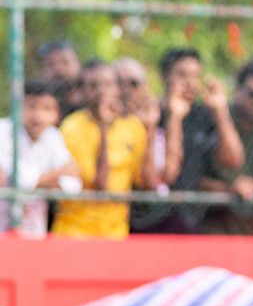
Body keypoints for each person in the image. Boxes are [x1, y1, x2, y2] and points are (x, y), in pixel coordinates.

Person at [131, 49, 244, 235]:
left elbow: (233, 160)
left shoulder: (203, 116)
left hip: (188, 224)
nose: (190, 83)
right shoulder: (148, 116)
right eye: (182, 75)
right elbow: (167, 176)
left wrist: (220, 111)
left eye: (196, 76)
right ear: (164, 76)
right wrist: (174, 118)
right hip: (145, 222)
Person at [54, 61, 157, 238]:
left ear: (118, 88)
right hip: (74, 232)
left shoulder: (133, 126)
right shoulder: (71, 127)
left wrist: (150, 130)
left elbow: (147, 183)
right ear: (83, 92)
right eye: (93, 85)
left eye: (108, 84)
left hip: (116, 233)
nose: (102, 91)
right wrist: (104, 127)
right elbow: (100, 185)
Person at [199, 60, 253, 236]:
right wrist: (229, 189)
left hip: (246, 230)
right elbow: (192, 180)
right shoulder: (210, 118)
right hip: (207, 226)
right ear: (237, 90)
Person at [0, 80, 80, 235]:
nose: (38, 116)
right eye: (32, 106)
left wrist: (36, 180)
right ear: (18, 107)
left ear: (57, 114)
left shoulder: (52, 136)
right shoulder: (3, 131)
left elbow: (73, 185)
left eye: (47, 108)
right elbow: (19, 179)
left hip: (34, 232)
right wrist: (56, 175)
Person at [38, 41, 83, 115]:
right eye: (51, 64)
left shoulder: (93, 105)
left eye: (65, 62)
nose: (58, 69)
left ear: (78, 64)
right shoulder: (40, 111)